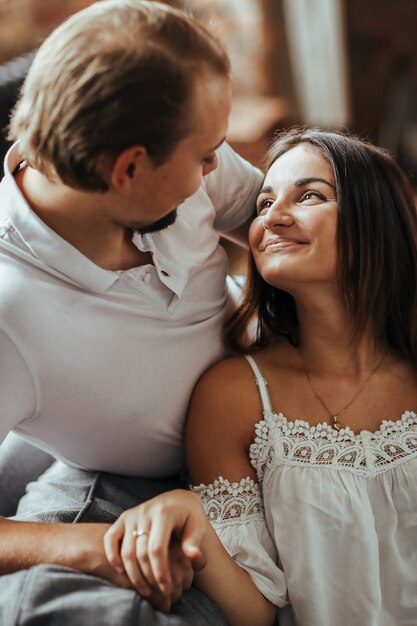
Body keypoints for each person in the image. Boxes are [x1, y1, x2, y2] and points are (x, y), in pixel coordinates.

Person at [0, 1, 263, 624]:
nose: (215, 170)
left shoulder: (180, 162)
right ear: (129, 170)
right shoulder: (9, 312)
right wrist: (90, 547)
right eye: (204, 157)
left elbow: (293, 231)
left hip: (264, 418)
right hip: (134, 490)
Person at [104, 128, 417, 626]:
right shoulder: (235, 396)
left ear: (375, 219)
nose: (271, 217)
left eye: (310, 195)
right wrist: (194, 520)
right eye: (264, 201)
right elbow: (255, 612)